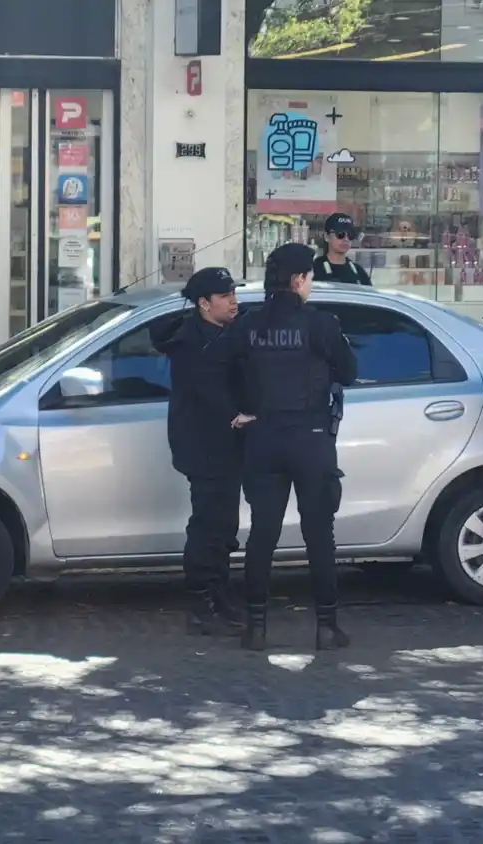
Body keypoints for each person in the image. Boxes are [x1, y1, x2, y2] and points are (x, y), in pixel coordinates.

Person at [228, 242, 358, 651]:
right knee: (319, 535)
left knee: (262, 535)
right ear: (300, 279)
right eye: (310, 279)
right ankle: (326, 627)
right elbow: (349, 373)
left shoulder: (247, 325)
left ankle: (256, 627)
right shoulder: (320, 324)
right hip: (311, 439)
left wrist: (244, 410)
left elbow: (229, 375)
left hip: (263, 439)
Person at [150, 267, 246, 636]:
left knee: (223, 522)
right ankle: (202, 599)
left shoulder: (225, 332)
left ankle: (218, 593)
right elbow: (209, 392)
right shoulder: (193, 341)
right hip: (204, 445)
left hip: (227, 445)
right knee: (208, 522)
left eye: (234, 293)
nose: (233, 301)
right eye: (224, 296)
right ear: (205, 304)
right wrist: (237, 415)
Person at [311, 212, 372, 286]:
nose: (346, 239)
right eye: (340, 234)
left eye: (350, 234)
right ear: (326, 237)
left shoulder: (359, 272)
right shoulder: (314, 269)